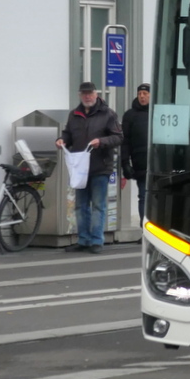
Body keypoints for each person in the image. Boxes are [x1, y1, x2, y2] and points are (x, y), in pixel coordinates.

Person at [57, 82, 122, 253]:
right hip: (79, 169)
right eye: (84, 93)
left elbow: (118, 137)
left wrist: (101, 142)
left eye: (90, 93)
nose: (87, 96)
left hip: (100, 166)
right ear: (80, 95)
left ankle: (96, 241)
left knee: (98, 206)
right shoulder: (74, 114)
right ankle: (83, 240)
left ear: (96, 94)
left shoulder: (108, 114)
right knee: (80, 206)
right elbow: (68, 134)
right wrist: (62, 140)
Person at [119, 83, 151, 224]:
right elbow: (125, 141)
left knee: (158, 198)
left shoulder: (159, 112)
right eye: (140, 94)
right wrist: (125, 163)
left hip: (159, 162)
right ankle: (144, 230)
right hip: (140, 162)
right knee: (143, 196)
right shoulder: (130, 115)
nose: (142, 97)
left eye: (145, 94)